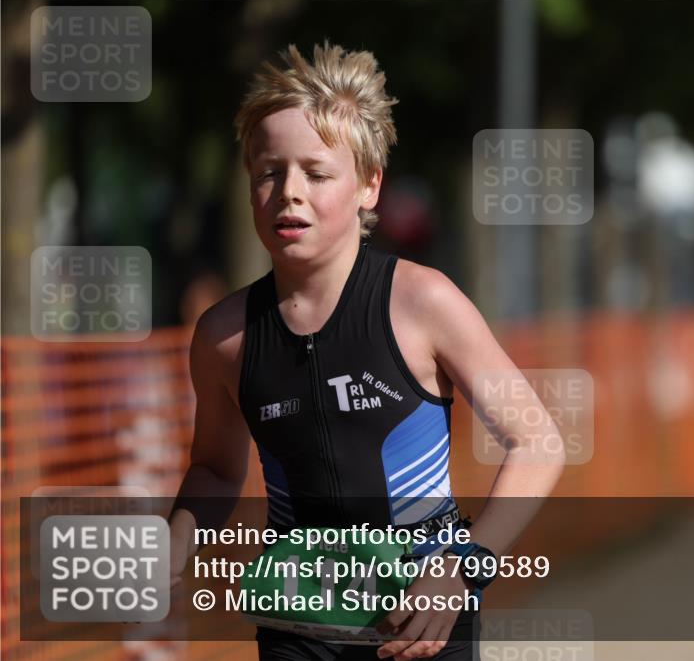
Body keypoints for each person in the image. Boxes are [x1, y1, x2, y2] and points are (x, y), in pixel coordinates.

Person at [168, 41, 565, 660]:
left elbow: (536, 438)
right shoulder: (224, 336)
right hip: (297, 628)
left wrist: (464, 568)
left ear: (368, 186)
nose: (288, 192)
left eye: (317, 173)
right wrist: (173, 546)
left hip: (421, 620)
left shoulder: (424, 302)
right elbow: (217, 469)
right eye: (268, 172)